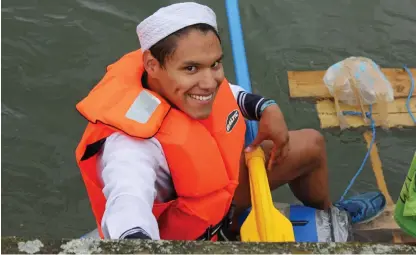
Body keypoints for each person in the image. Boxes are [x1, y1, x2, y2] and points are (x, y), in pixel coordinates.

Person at [75, 2, 386, 241]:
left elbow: (230, 93)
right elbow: (127, 202)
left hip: (222, 191)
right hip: (193, 234)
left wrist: (266, 108)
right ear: (152, 65)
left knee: (311, 145)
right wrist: (136, 239)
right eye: (192, 69)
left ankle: (330, 218)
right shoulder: (129, 148)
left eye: (216, 64)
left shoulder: (187, 85)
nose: (209, 82)